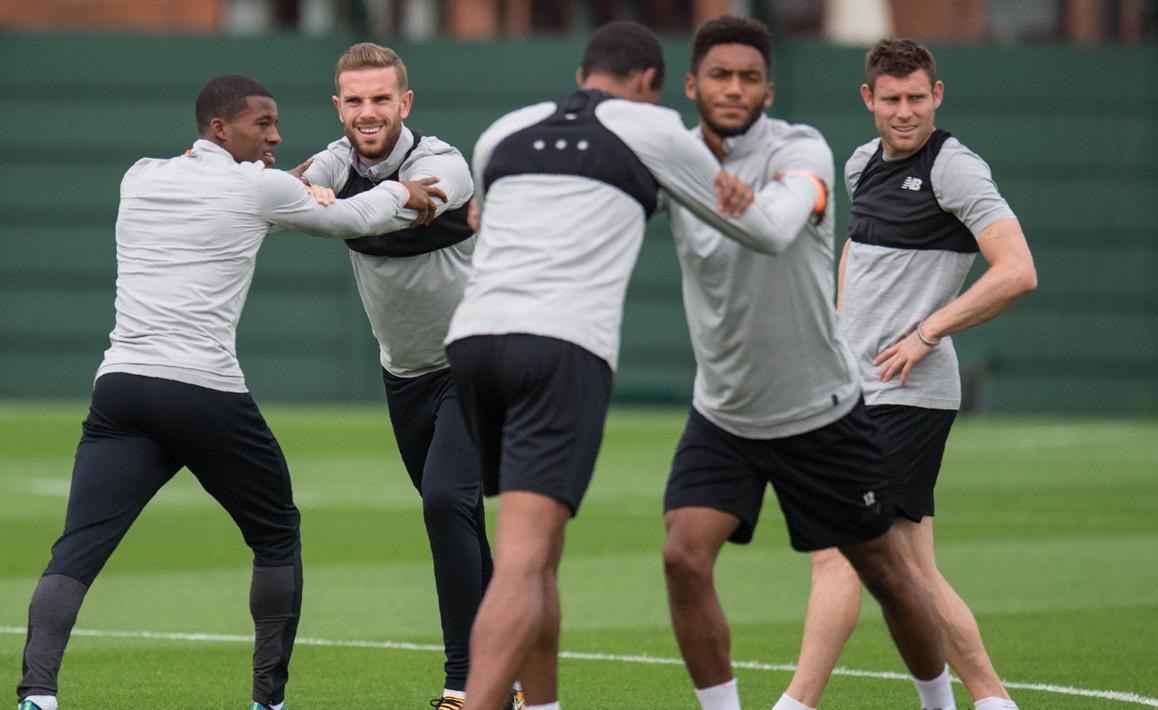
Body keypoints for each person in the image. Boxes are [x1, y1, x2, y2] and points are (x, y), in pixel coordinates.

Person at [14, 74, 437, 710]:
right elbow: (352, 219)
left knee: (76, 548)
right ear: (219, 128)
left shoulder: (140, 176)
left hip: (121, 390)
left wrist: (289, 186)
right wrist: (404, 190)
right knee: (276, 534)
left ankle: (36, 695)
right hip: (201, 392)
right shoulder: (257, 188)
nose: (276, 135)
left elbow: (243, 208)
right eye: (262, 124)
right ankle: (268, 700)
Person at [442, 20, 825, 710]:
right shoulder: (654, 130)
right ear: (651, 84)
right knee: (526, 560)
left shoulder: (501, 131)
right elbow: (761, 227)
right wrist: (748, 187)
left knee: (536, 555)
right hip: (557, 347)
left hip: (471, 343)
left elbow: (486, 217)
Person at [658, 17, 954, 710]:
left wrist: (748, 203)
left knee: (885, 571)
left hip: (817, 409)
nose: (734, 89)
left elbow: (781, 221)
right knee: (681, 555)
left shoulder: (802, 148)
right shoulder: (670, 155)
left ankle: (939, 704)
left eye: (749, 78)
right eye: (721, 76)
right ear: (691, 84)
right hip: (723, 411)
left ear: (768, 87)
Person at [783, 37, 1036, 710]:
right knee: (910, 568)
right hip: (853, 392)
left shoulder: (955, 169)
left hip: (909, 397)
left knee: (838, 553)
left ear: (937, 95)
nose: (904, 112)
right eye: (890, 99)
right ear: (868, 99)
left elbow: (1016, 272)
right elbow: (855, 250)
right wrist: (837, 334)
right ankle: (982, 701)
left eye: (916, 98)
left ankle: (794, 705)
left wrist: (926, 332)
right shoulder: (860, 163)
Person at [298, 42, 519, 710]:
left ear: (405, 103)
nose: (369, 114)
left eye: (381, 100)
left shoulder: (441, 163)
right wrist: (300, 188)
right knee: (459, 522)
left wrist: (322, 203)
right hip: (405, 376)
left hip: (476, 362)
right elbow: (293, 185)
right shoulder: (336, 159)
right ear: (339, 106)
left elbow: (391, 206)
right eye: (355, 101)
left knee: (444, 503)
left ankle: (464, 687)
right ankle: (508, 682)